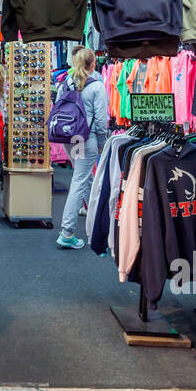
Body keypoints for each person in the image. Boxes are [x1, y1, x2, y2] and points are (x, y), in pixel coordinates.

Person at [56, 46, 108, 250]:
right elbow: (102, 120)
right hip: (88, 139)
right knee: (80, 180)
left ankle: (96, 220)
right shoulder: (96, 86)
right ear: (93, 63)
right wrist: (104, 144)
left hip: (70, 138)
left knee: (84, 179)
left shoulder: (66, 83)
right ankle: (67, 231)